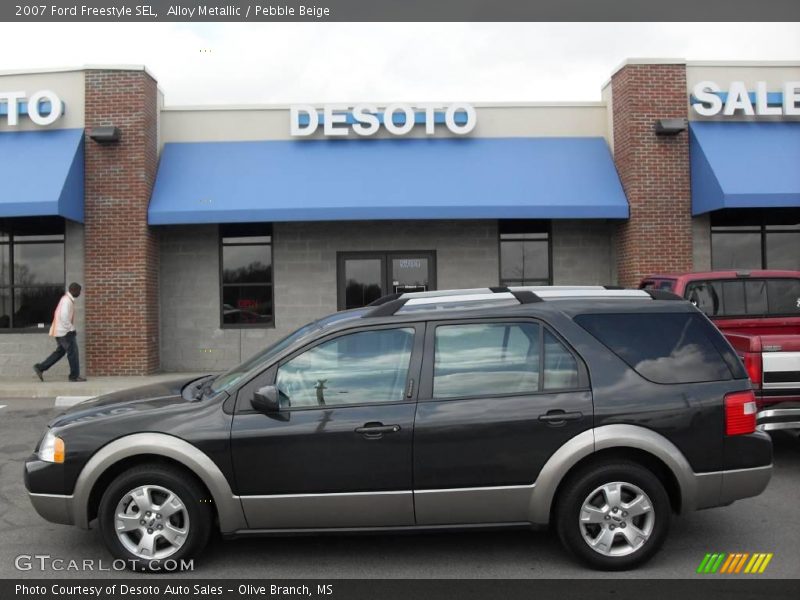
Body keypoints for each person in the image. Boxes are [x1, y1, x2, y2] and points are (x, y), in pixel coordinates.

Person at [33, 282, 86, 382]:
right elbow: (64, 317)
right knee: (73, 353)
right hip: (65, 332)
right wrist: (71, 329)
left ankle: (40, 367)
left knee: (60, 352)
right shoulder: (67, 301)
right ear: (73, 290)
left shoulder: (66, 299)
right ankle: (74, 376)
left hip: (60, 331)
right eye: (79, 291)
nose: (80, 293)